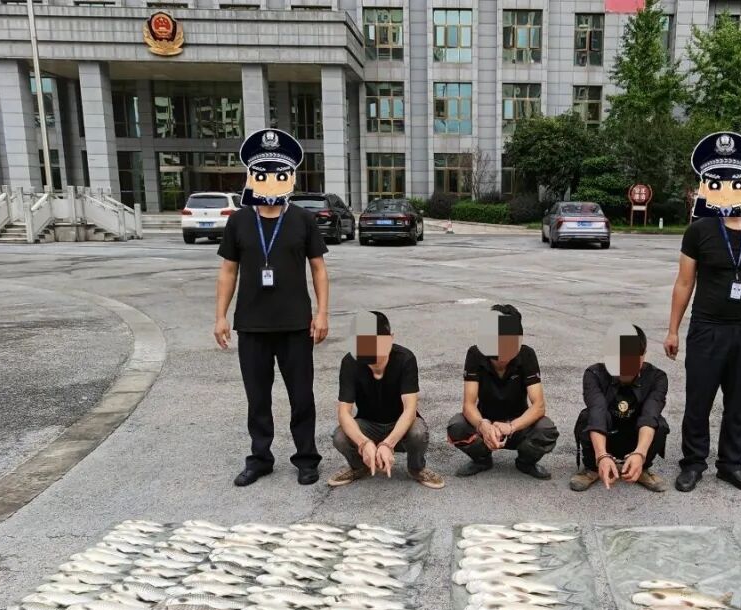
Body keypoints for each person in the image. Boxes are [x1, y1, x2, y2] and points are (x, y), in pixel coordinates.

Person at [664, 131, 741, 495]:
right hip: (707, 328)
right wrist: (673, 329)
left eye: (736, 183)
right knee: (698, 400)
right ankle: (693, 463)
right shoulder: (699, 231)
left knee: (738, 403)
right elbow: (684, 283)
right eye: (717, 183)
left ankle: (732, 465)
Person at [215, 128, 330, 487]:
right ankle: (260, 459)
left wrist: (322, 313)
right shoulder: (239, 220)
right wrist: (220, 316)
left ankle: (306, 459)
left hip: (296, 324)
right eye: (261, 172)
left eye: (278, 173)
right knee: (257, 398)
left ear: (289, 177)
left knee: (302, 397)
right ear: (251, 176)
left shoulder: (302, 219)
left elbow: (318, 269)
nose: (269, 179)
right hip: (252, 325)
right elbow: (228, 271)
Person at [328, 312, 444, 490]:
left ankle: (416, 468)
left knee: (418, 432)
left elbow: (410, 410)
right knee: (340, 436)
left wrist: (387, 444)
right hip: (368, 424)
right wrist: (364, 443)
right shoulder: (350, 362)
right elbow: (344, 413)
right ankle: (359, 467)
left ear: (390, 339)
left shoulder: (405, 359)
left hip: (400, 425)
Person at [447, 304, 559, 479]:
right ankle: (482, 459)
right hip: (486, 421)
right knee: (457, 426)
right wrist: (483, 425)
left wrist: (511, 426)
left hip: (518, 425)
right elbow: (468, 405)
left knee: (546, 429)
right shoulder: (475, 354)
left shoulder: (527, 355)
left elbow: (538, 406)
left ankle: (526, 462)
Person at [570, 324, 669, 493]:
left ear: (643, 355)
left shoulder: (657, 377)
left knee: (659, 423)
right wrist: (602, 455)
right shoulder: (594, 374)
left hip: (635, 436)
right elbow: (597, 412)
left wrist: (640, 454)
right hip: (606, 434)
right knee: (588, 417)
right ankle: (593, 468)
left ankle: (641, 467)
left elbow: (649, 415)